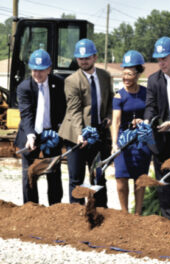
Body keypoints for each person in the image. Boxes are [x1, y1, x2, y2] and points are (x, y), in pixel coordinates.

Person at [58, 38, 114, 207]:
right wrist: (79, 134)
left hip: (99, 133)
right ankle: (76, 214)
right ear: (77, 59)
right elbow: (74, 111)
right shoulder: (72, 81)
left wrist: (109, 115)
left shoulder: (105, 76)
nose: (83, 61)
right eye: (80, 58)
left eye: (87, 58)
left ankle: (101, 211)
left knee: (98, 175)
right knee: (76, 178)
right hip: (77, 135)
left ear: (95, 57)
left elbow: (110, 99)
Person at [15, 49, 66, 205]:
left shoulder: (59, 84)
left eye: (41, 70)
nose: (37, 74)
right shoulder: (24, 87)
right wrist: (31, 135)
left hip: (51, 134)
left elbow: (62, 110)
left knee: (54, 172)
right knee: (29, 174)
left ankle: (55, 207)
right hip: (30, 134)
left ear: (49, 69)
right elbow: (26, 114)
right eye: (34, 70)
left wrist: (59, 132)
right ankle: (31, 207)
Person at [143, 36, 170, 222]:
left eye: (165, 58)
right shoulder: (153, 80)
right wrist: (147, 121)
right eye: (158, 59)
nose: (161, 62)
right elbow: (150, 106)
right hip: (161, 141)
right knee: (165, 185)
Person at [111, 50, 151, 215]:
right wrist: (114, 143)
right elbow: (116, 121)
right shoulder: (119, 96)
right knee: (121, 178)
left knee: (140, 179)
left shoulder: (146, 93)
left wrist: (144, 121)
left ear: (138, 73)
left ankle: (138, 214)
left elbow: (151, 113)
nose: (126, 77)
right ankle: (124, 214)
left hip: (141, 142)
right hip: (123, 141)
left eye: (130, 73)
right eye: (124, 73)